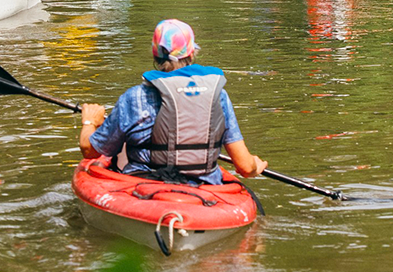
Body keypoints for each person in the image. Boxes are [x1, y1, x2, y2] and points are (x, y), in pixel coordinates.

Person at [78, 19, 267, 186]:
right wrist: (254, 166)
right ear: (192, 54)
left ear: (155, 56)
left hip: (144, 186)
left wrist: (90, 122)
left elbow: (90, 150)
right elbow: (245, 166)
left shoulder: (135, 97)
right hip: (204, 188)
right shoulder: (219, 97)